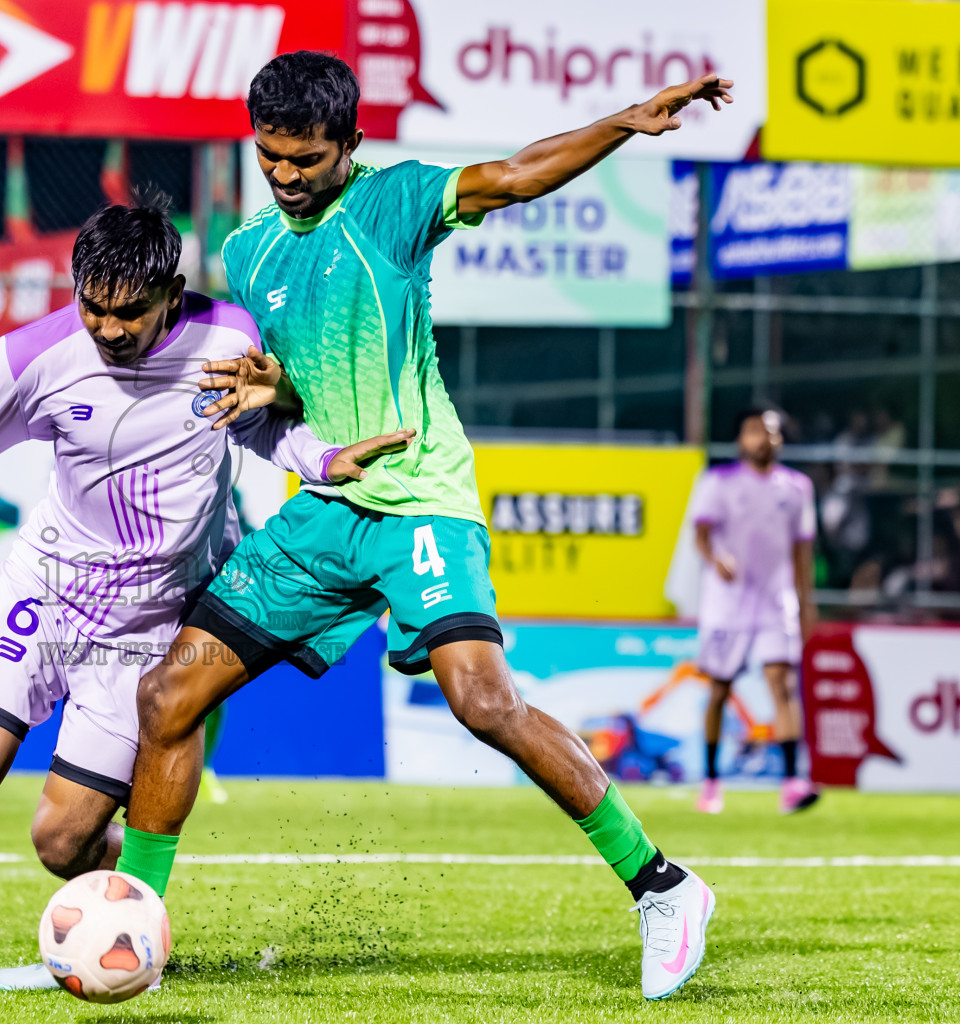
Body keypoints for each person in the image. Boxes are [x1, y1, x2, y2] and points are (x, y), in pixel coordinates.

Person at [111, 51, 734, 1002]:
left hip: (421, 502)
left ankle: (664, 887)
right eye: (270, 156)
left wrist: (623, 122)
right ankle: (135, 940)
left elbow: (515, 175)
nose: (285, 176)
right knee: (168, 699)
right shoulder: (250, 252)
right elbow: (298, 373)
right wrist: (271, 386)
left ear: (349, 146)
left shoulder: (393, 203)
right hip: (325, 511)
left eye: (307, 159)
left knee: (484, 704)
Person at [0, 199, 410, 991]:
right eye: (91, 306)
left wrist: (322, 454)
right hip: (47, 596)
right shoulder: (38, 357)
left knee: (62, 843)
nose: (107, 328)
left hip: (151, 626)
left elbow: (260, 426)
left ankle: (125, 919)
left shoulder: (230, 336)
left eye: (128, 312)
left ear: (172, 291)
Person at [694, 408, 819, 815]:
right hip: (727, 605)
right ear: (741, 440)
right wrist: (715, 559)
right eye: (754, 432)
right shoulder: (719, 482)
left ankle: (791, 782)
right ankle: (711, 781)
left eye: (771, 432)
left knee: (782, 685)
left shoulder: (798, 487)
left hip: (775, 602)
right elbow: (700, 535)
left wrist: (806, 602)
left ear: (780, 439)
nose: (763, 439)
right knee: (719, 691)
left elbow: (802, 550)